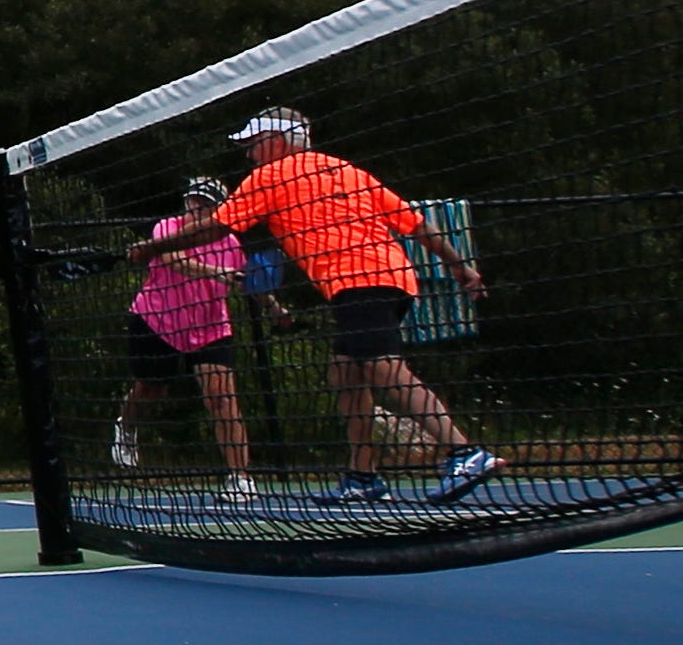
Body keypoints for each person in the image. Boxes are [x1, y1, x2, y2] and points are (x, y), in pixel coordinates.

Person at [130, 108, 499, 505]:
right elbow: (417, 224)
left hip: (361, 281)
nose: (250, 155)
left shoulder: (270, 176)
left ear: (278, 142)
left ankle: (464, 452)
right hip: (392, 280)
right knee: (345, 372)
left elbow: (216, 227)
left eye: (254, 145)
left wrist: (152, 247)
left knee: (382, 366)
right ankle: (363, 477)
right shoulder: (347, 170)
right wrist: (459, 265)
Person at [110, 174, 257, 499]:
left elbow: (245, 280)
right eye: (194, 201)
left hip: (210, 328)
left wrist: (274, 307)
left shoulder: (230, 242)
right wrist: (215, 272)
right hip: (157, 321)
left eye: (206, 204)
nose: (198, 208)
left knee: (223, 399)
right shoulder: (167, 229)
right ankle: (127, 426)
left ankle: (240, 478)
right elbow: (173, 260)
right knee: (152, 389)